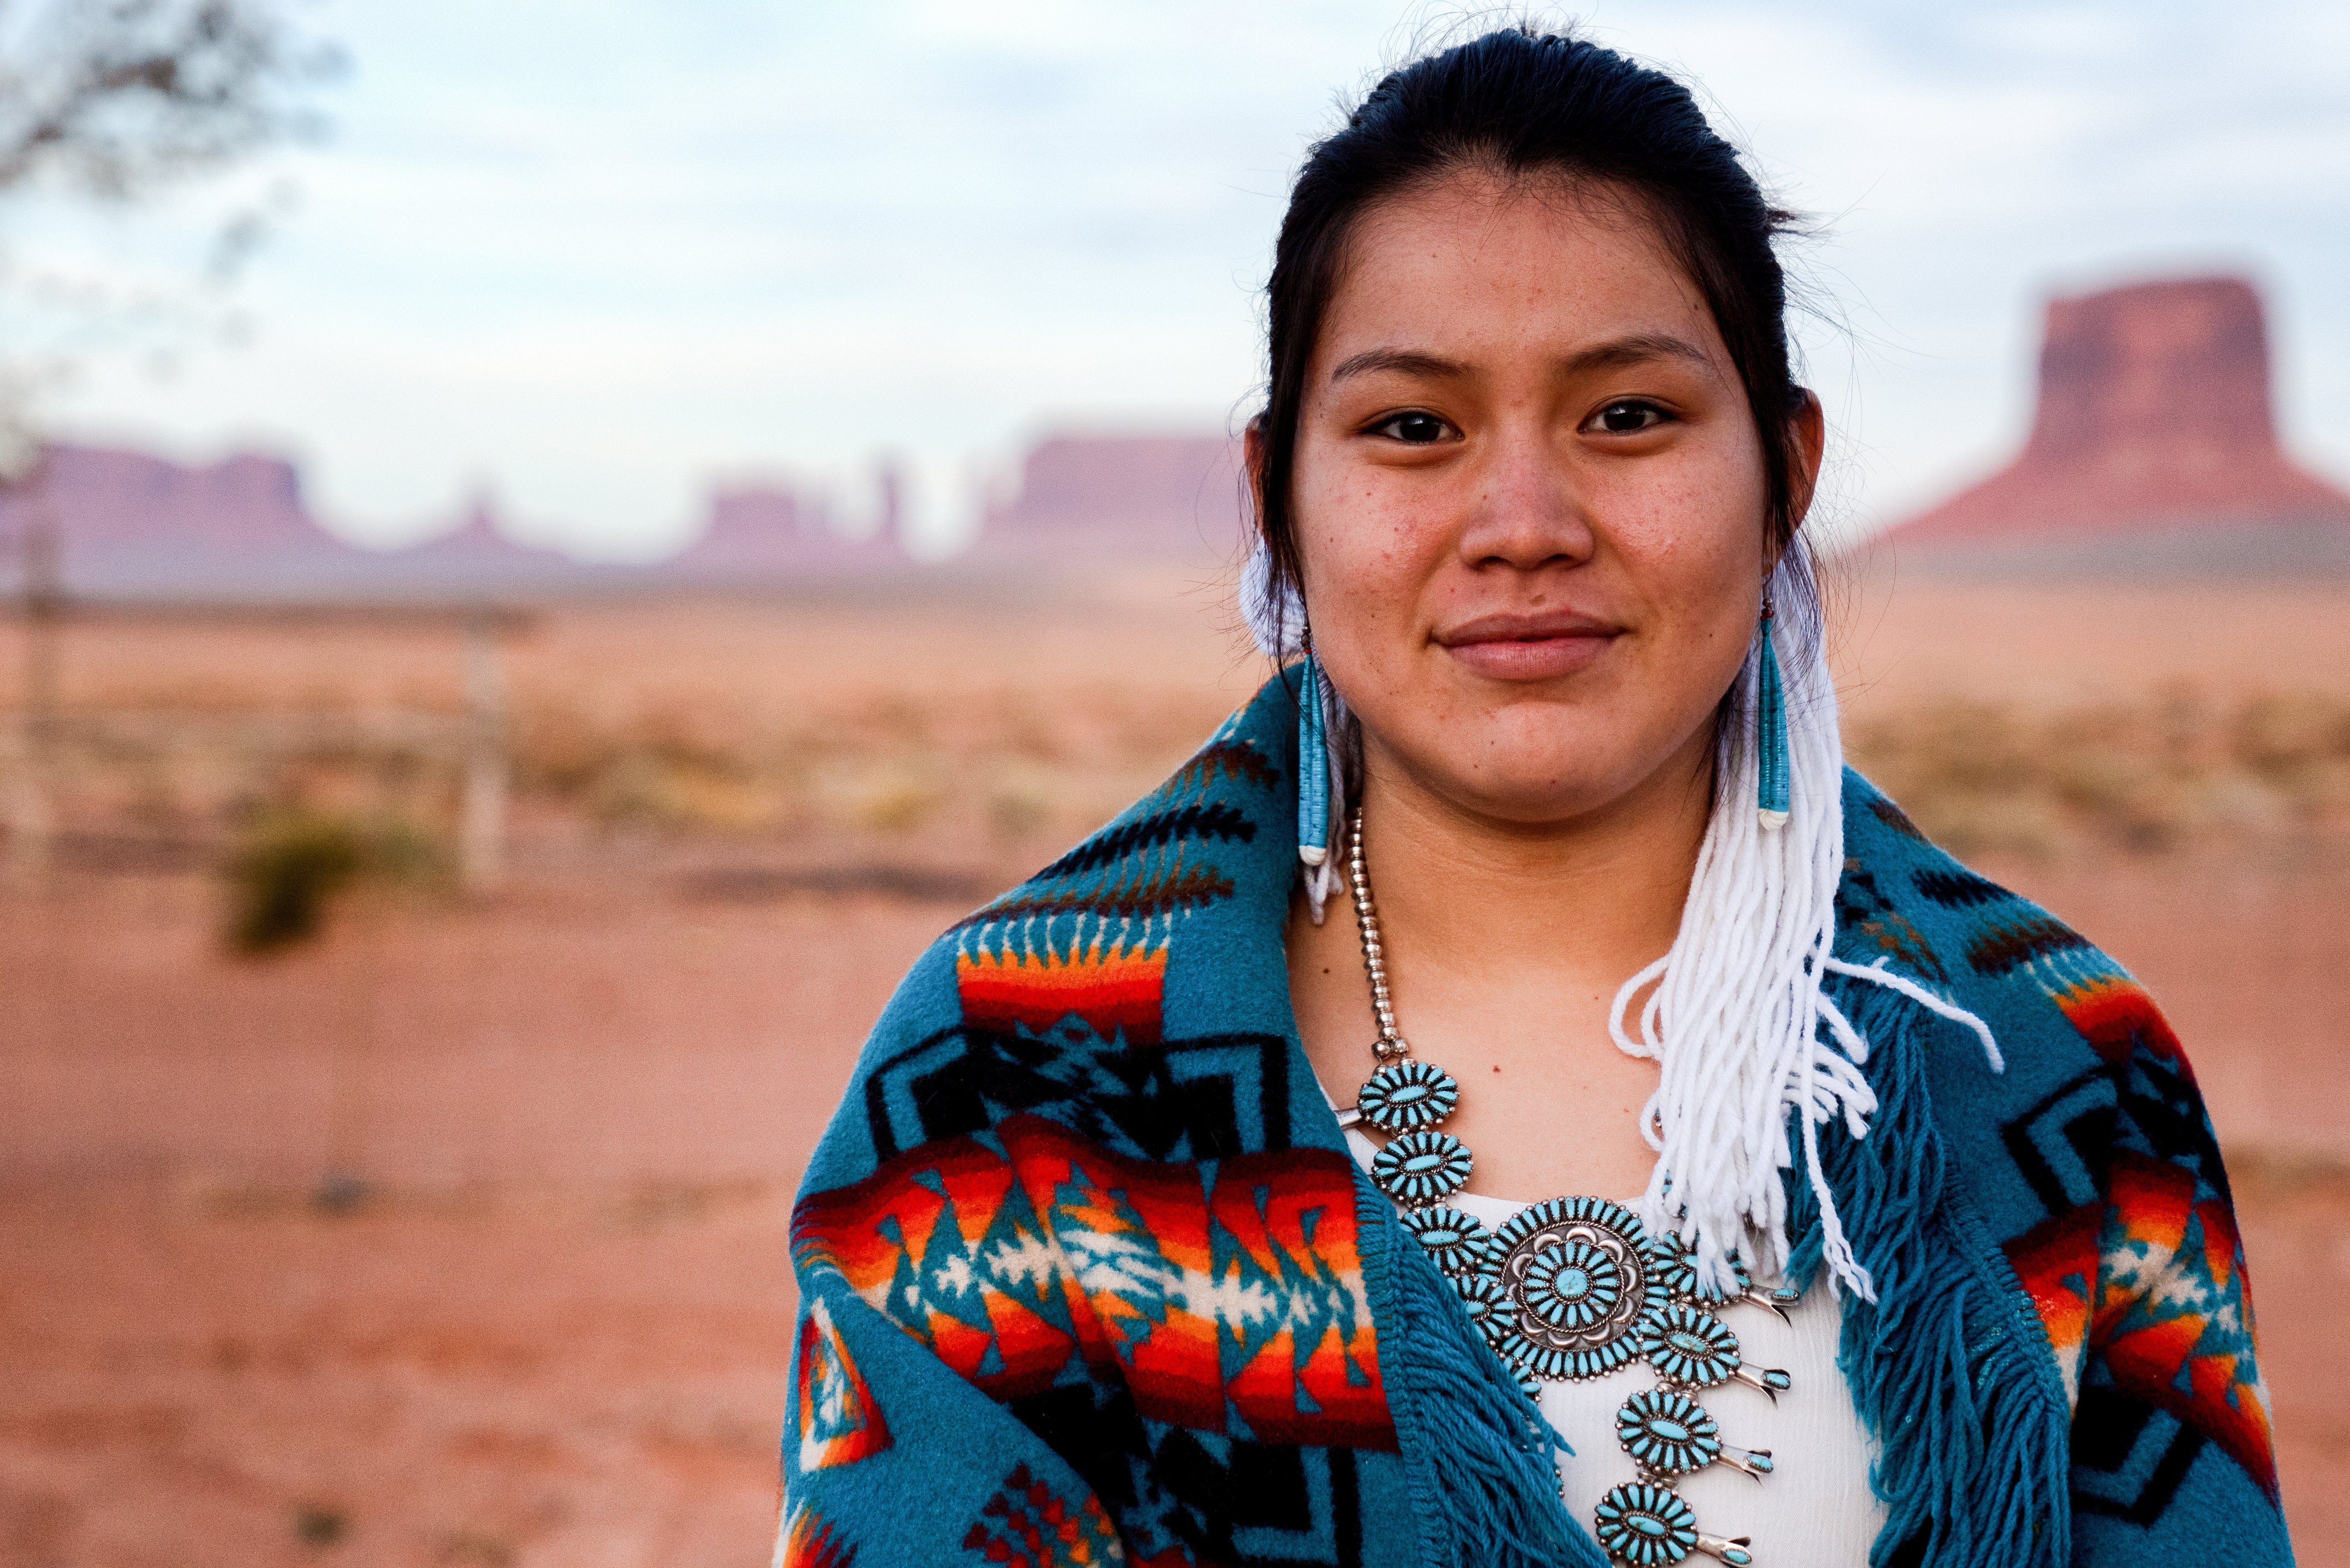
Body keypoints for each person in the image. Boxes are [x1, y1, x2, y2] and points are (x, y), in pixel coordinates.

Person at [778, 28, 2288, 1568]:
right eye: (1413, 428)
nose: (1524, 526)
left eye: (1627, 416)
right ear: (1276, 497)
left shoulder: (2064, 1071)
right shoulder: (1008, 1089)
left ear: (1787, 469)